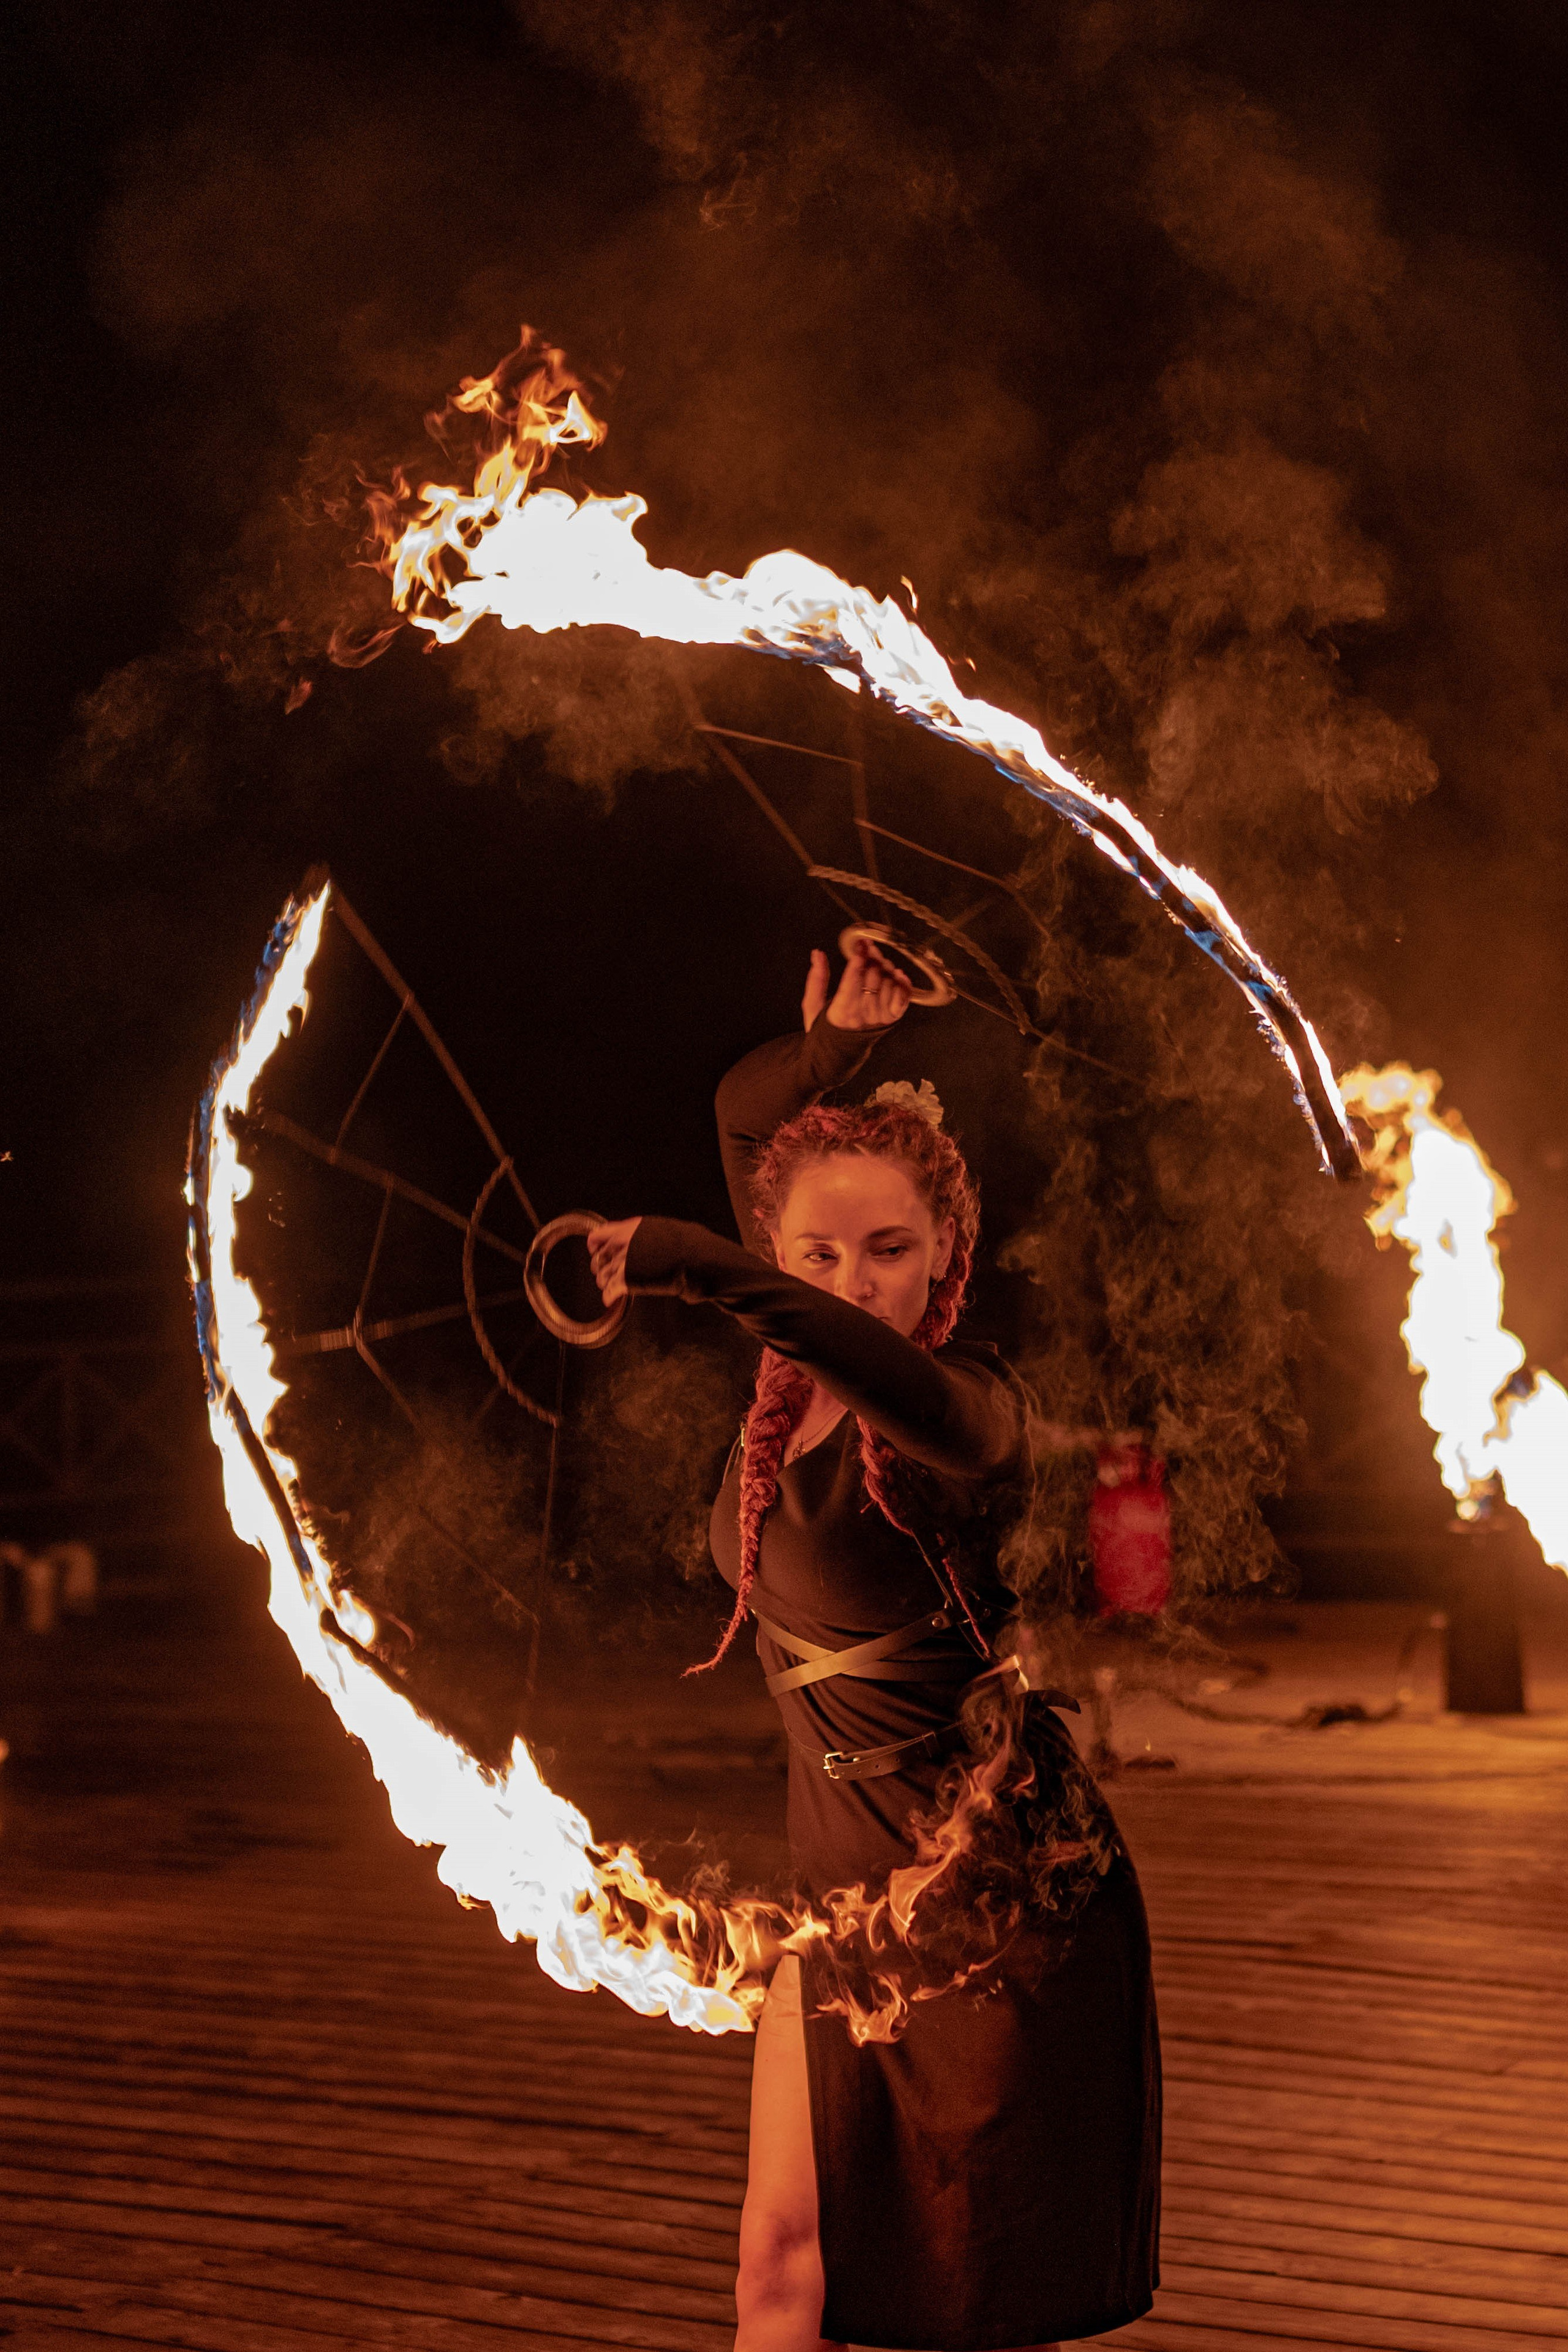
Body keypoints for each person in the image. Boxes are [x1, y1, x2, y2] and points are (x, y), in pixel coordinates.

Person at [589, 939, 1161, 2352]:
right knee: (777, 2267)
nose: (852, 1283)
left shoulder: (964, 1411)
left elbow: (831, 1332)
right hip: (836, 1896)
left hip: (995, 1910)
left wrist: (704, 1266)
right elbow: (745, 1119)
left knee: (967, 2303)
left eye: (891, 1250)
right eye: (818, 1253)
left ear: (943, 1260)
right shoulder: (788, 1373)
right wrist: (829, 1050)